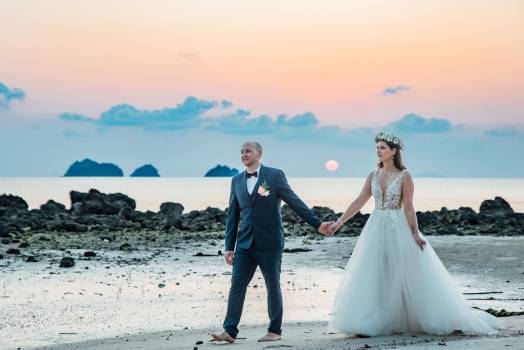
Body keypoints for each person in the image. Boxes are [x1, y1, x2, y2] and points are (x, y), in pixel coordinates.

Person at [327, 131, 500, 336]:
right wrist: (339, 222)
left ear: (394, 151)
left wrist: (415, 234)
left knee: (403, 271)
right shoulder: (373, 175)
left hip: (396, 225)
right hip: (375, 226)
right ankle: (373, 319)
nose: (378, 151)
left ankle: (407, 317)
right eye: (377, 148)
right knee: (376, 270)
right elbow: (359, 201)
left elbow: (408, 207)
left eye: (382, 147)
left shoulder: (404, 175)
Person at [210, 141, 334, 343]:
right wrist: (228, 247)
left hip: (270, 242)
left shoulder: (274, 176)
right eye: (241, 151)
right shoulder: (236, 181)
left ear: (259, 153)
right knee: (236, 286)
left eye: (248, 151)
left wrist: (317, 224)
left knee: (272, 285)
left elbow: (295, 202)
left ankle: (274, 330)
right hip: (244, 244)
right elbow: (232, 217)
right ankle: (229, 331)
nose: (243, 154)